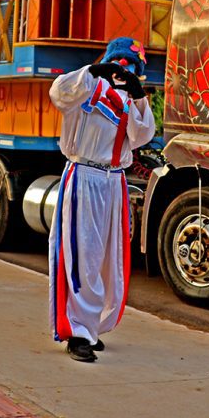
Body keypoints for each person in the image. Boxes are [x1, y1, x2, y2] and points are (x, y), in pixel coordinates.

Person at [48, 37, 155, 363]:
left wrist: (137, 96)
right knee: (83, 257)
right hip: (84, 176)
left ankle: (92, 327)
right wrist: (94, 71)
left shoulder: (131, 101)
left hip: (114, 183)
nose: (123, 71)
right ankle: (77, 332)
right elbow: (58, 93)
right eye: (119, 64)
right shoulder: (86, 85)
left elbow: (142, 135)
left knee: (109, 260)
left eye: (130, 66)